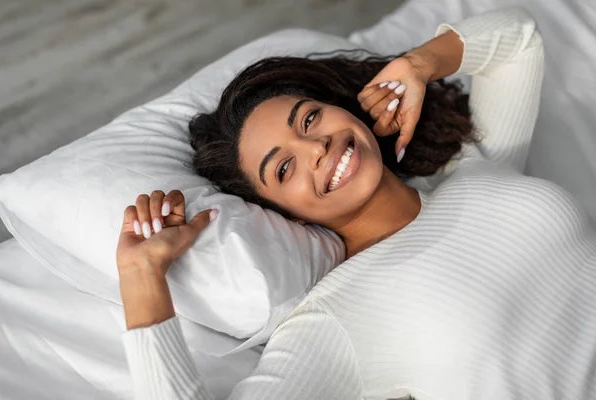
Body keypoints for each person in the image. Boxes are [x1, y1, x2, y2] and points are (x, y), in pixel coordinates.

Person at [116, 7, 596, 400]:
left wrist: (417, 66)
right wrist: (142, 281)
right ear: (280, 212)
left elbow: (518, 41)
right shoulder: (333, 320)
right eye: (284, 169)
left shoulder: (477, 165)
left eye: (309, 119)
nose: (316, 148)